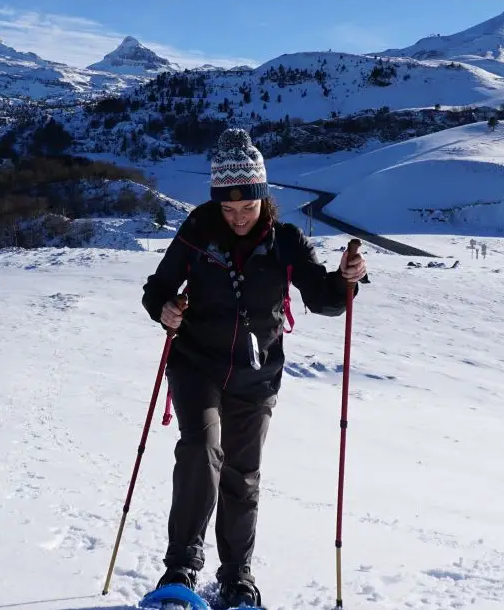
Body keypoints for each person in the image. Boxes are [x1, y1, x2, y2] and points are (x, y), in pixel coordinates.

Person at [140, 128, 368, 607]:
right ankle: (180, 570)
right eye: (228, 208)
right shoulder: (198, 232)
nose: (238, 217)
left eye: (248, 208)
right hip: (196, 365)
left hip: (256, 375)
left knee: (242, 475)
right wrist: (165, 309)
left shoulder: (284, 241)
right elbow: (156, 288)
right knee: (201, 451)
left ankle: (236, 576)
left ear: (264, 198)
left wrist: (348, 280)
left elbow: (324, 298)